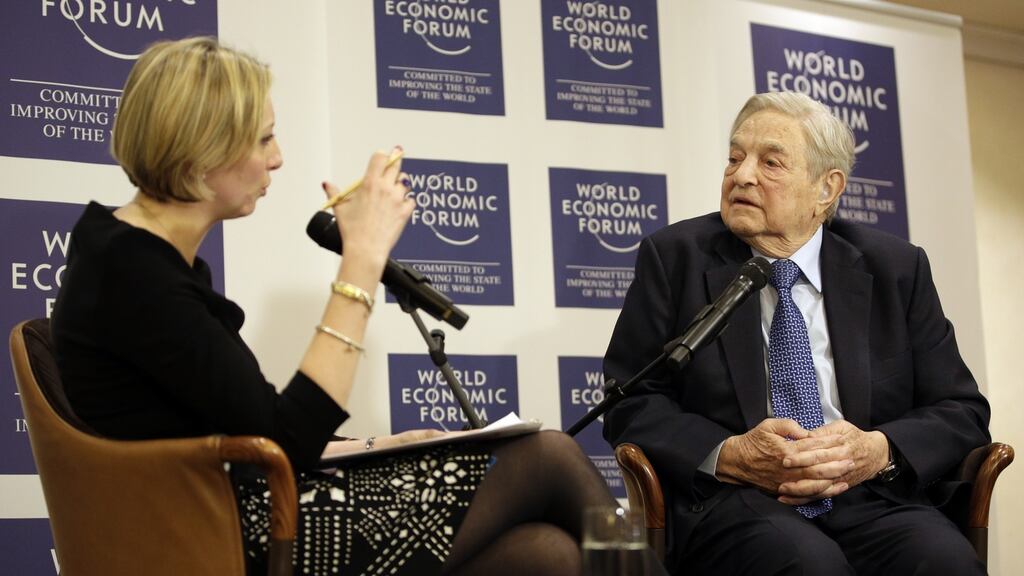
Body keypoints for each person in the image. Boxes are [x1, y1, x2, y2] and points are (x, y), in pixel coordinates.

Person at [50, 37, 616, 576]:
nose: (277, 160)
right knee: (547, 455)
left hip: (241, 510)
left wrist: (385, 445)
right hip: (226, 534)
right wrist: (362, 259)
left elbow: (248, 424)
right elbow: (281, 442)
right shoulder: (133, 273)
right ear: (203, 155)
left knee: (548, 556)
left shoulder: (133, 258)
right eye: (263, 140)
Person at [602, 91, 991, 575]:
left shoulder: (895, 268)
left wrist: (877, 450)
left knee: (945, 562)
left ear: (826, 189)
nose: (742, 175)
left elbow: (961, 410)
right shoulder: (676, 257)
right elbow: (630, 401)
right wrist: (731, 454)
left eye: (771, 163)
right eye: (734, 158)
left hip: (870, 496)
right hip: (738, 502)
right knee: (807, 563)